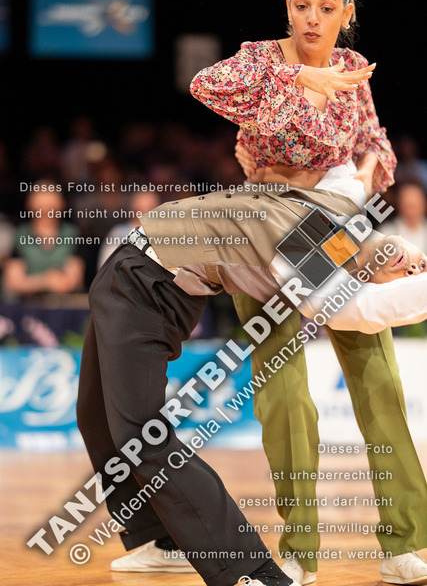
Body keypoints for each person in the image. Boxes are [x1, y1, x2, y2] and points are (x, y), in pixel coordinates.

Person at [179, 0, 425, 585]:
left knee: (379, 386)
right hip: (264, 234)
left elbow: (377, 145)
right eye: (302, 5)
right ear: (288, 7)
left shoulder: (352, 70)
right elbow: (204, 85)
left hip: (337, 232)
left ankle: (405, 543)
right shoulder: (260, 60)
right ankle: (300, 553)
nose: (312, 18)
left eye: (326, 8)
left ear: (347, 14)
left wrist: (358, 179)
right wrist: (297, 82)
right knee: (284, 400)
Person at [78, 183, 427, 586]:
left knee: (142, 438)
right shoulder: (337, 207)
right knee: (95, 417)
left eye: (408, 277)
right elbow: (348, 165)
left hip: (149, 286)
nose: (409, 266)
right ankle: (163, 540)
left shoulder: (316, 268)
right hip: (125, 267)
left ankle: (249, 569)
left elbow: (364, 311)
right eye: (420, 263)